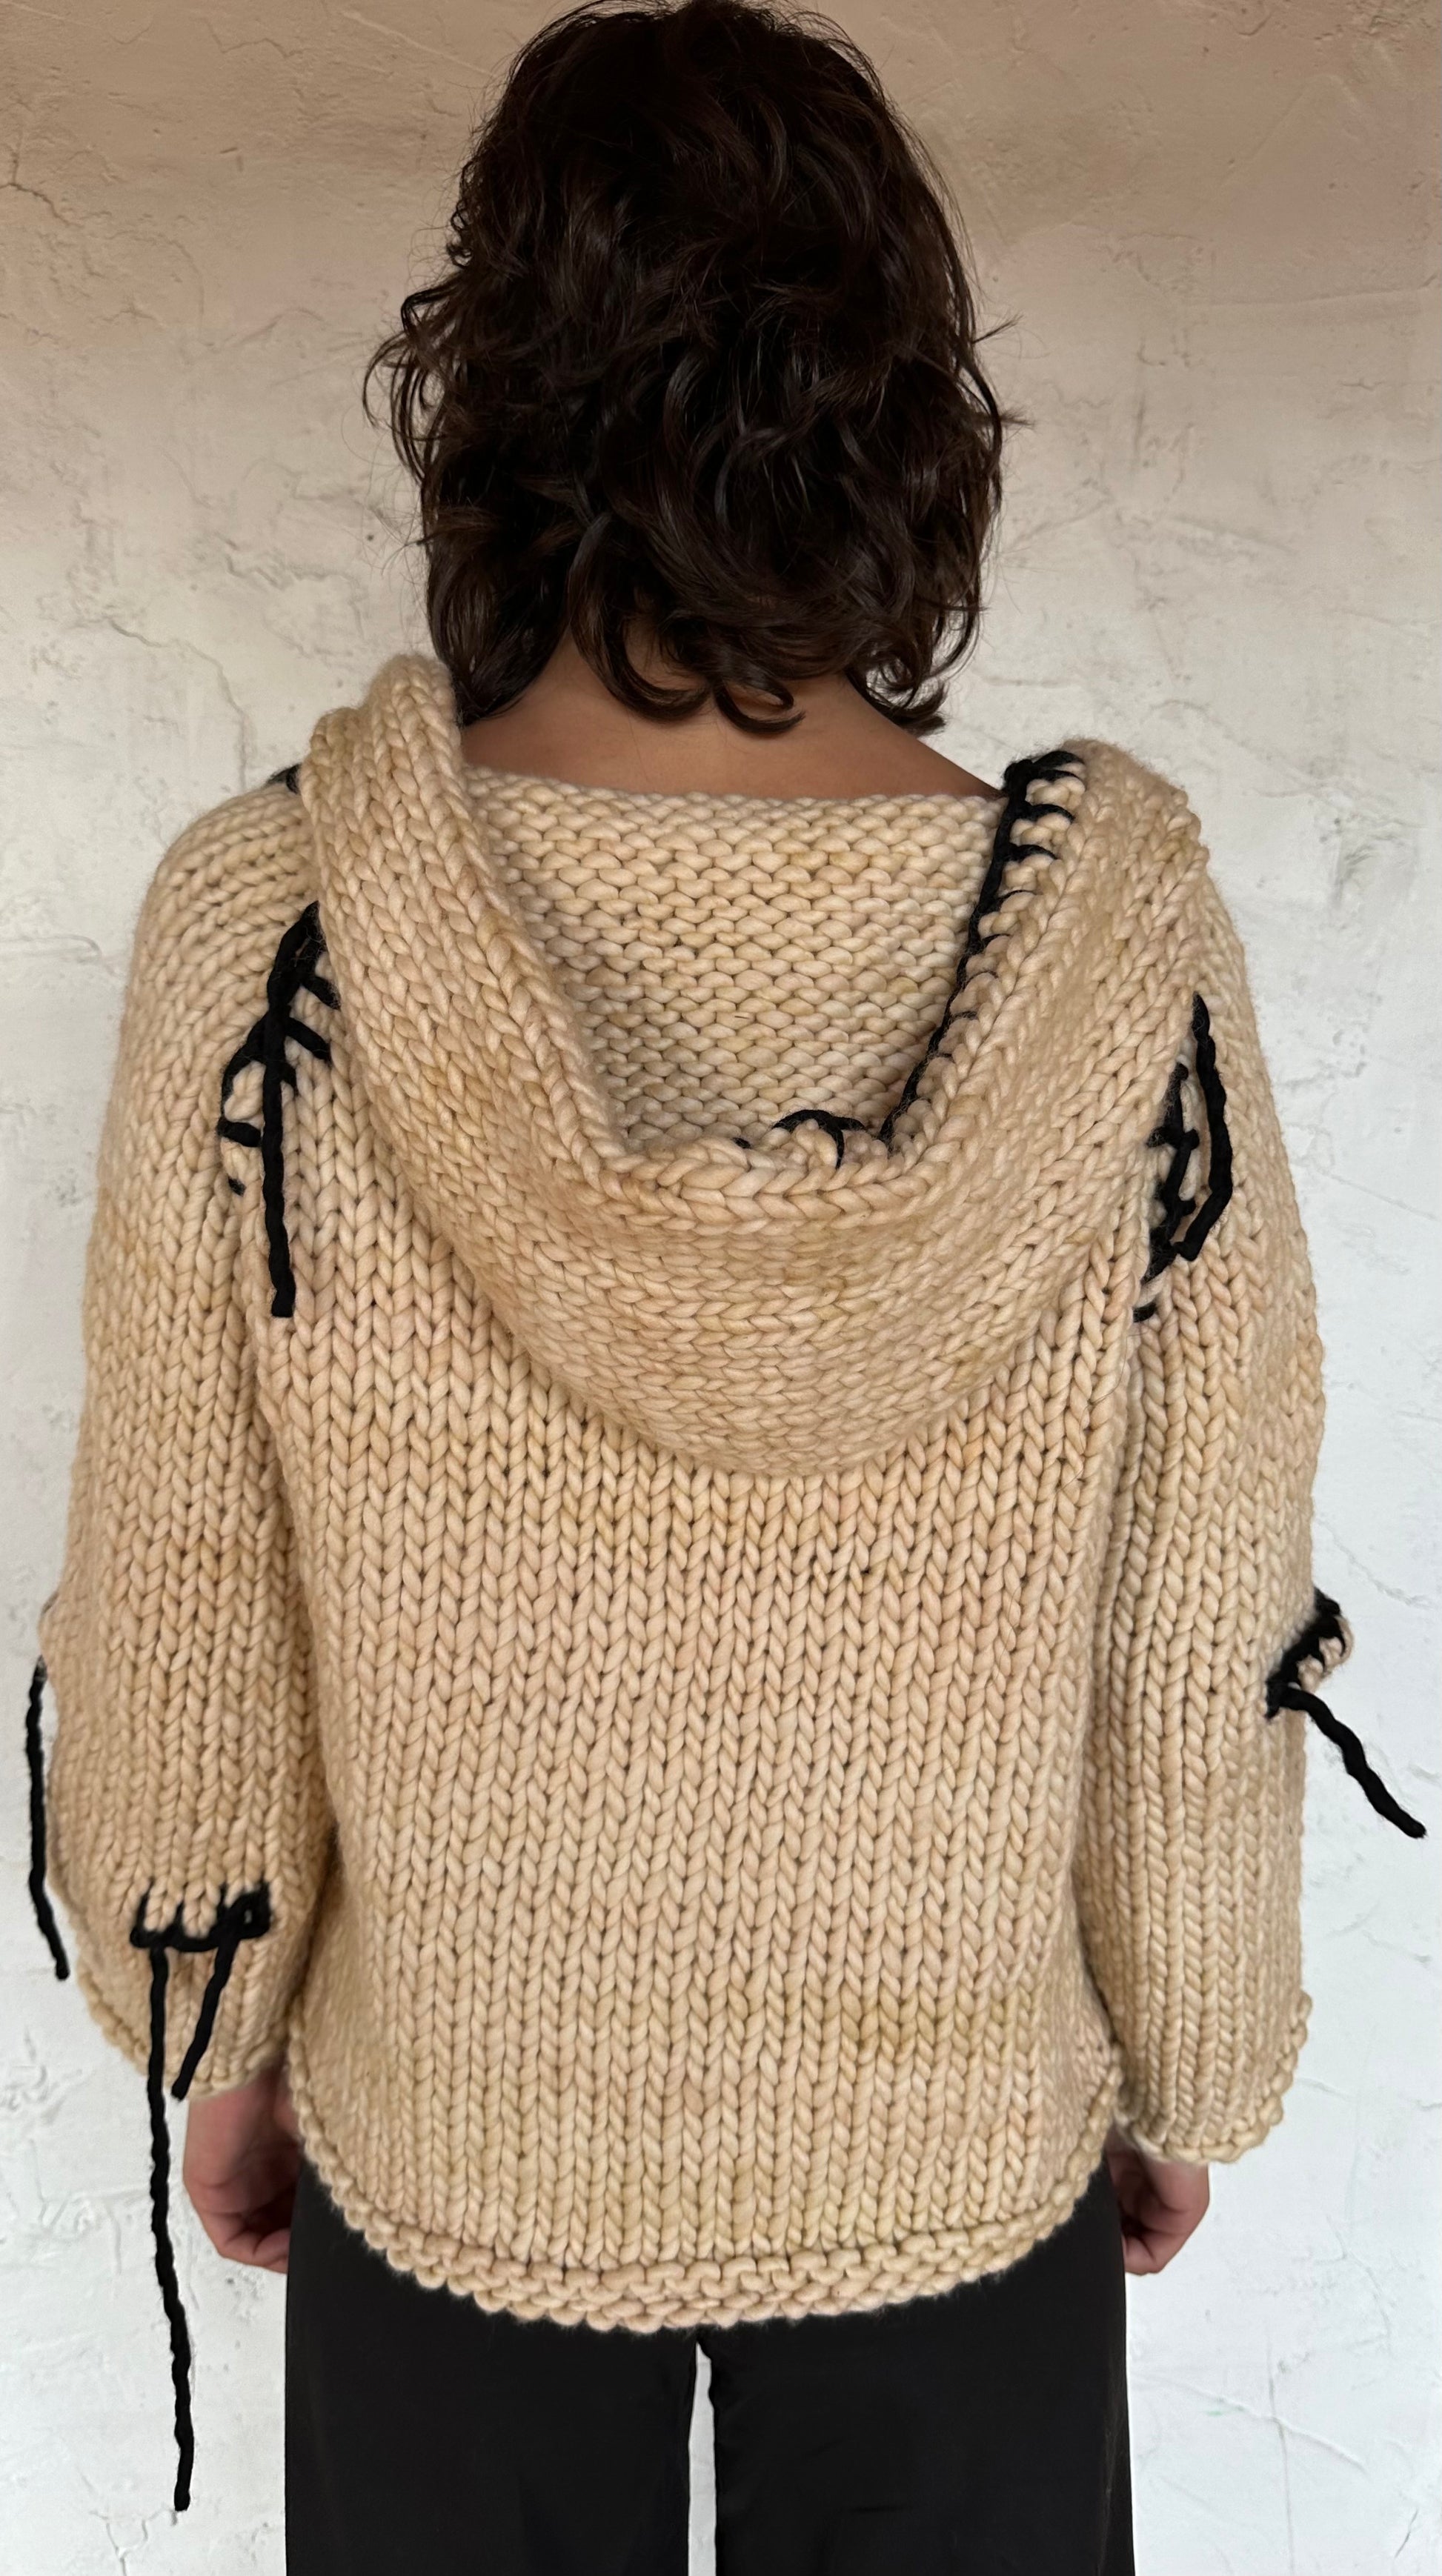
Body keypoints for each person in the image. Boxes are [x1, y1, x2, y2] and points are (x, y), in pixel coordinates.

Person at [22, 1, 1423, 2569]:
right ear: (902, 413)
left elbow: (190, 1574)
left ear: (492, 402)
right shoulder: (1111, 955)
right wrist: (1188, 2052)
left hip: (454, 2142)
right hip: (962, 2156)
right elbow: (1189, 1588)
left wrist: (216, 2029)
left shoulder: (281, 928)